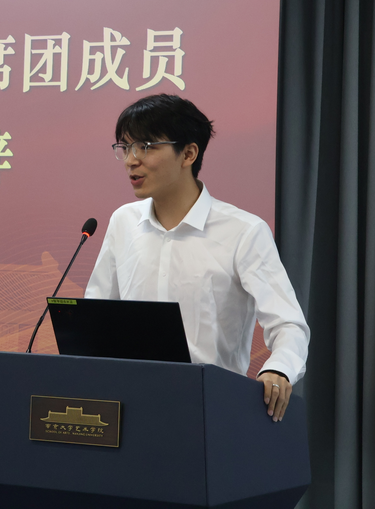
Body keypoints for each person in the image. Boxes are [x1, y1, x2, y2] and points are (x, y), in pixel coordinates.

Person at [84, 94, 310, 422]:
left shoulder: (243, 231)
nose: (131, 160)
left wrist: (279, 369)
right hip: (127, 407)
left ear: (188, 153)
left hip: (211, 409)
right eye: (125, 147)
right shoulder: (123, 222)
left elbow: (288, 323)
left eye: (145, 147)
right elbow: (96, 316)